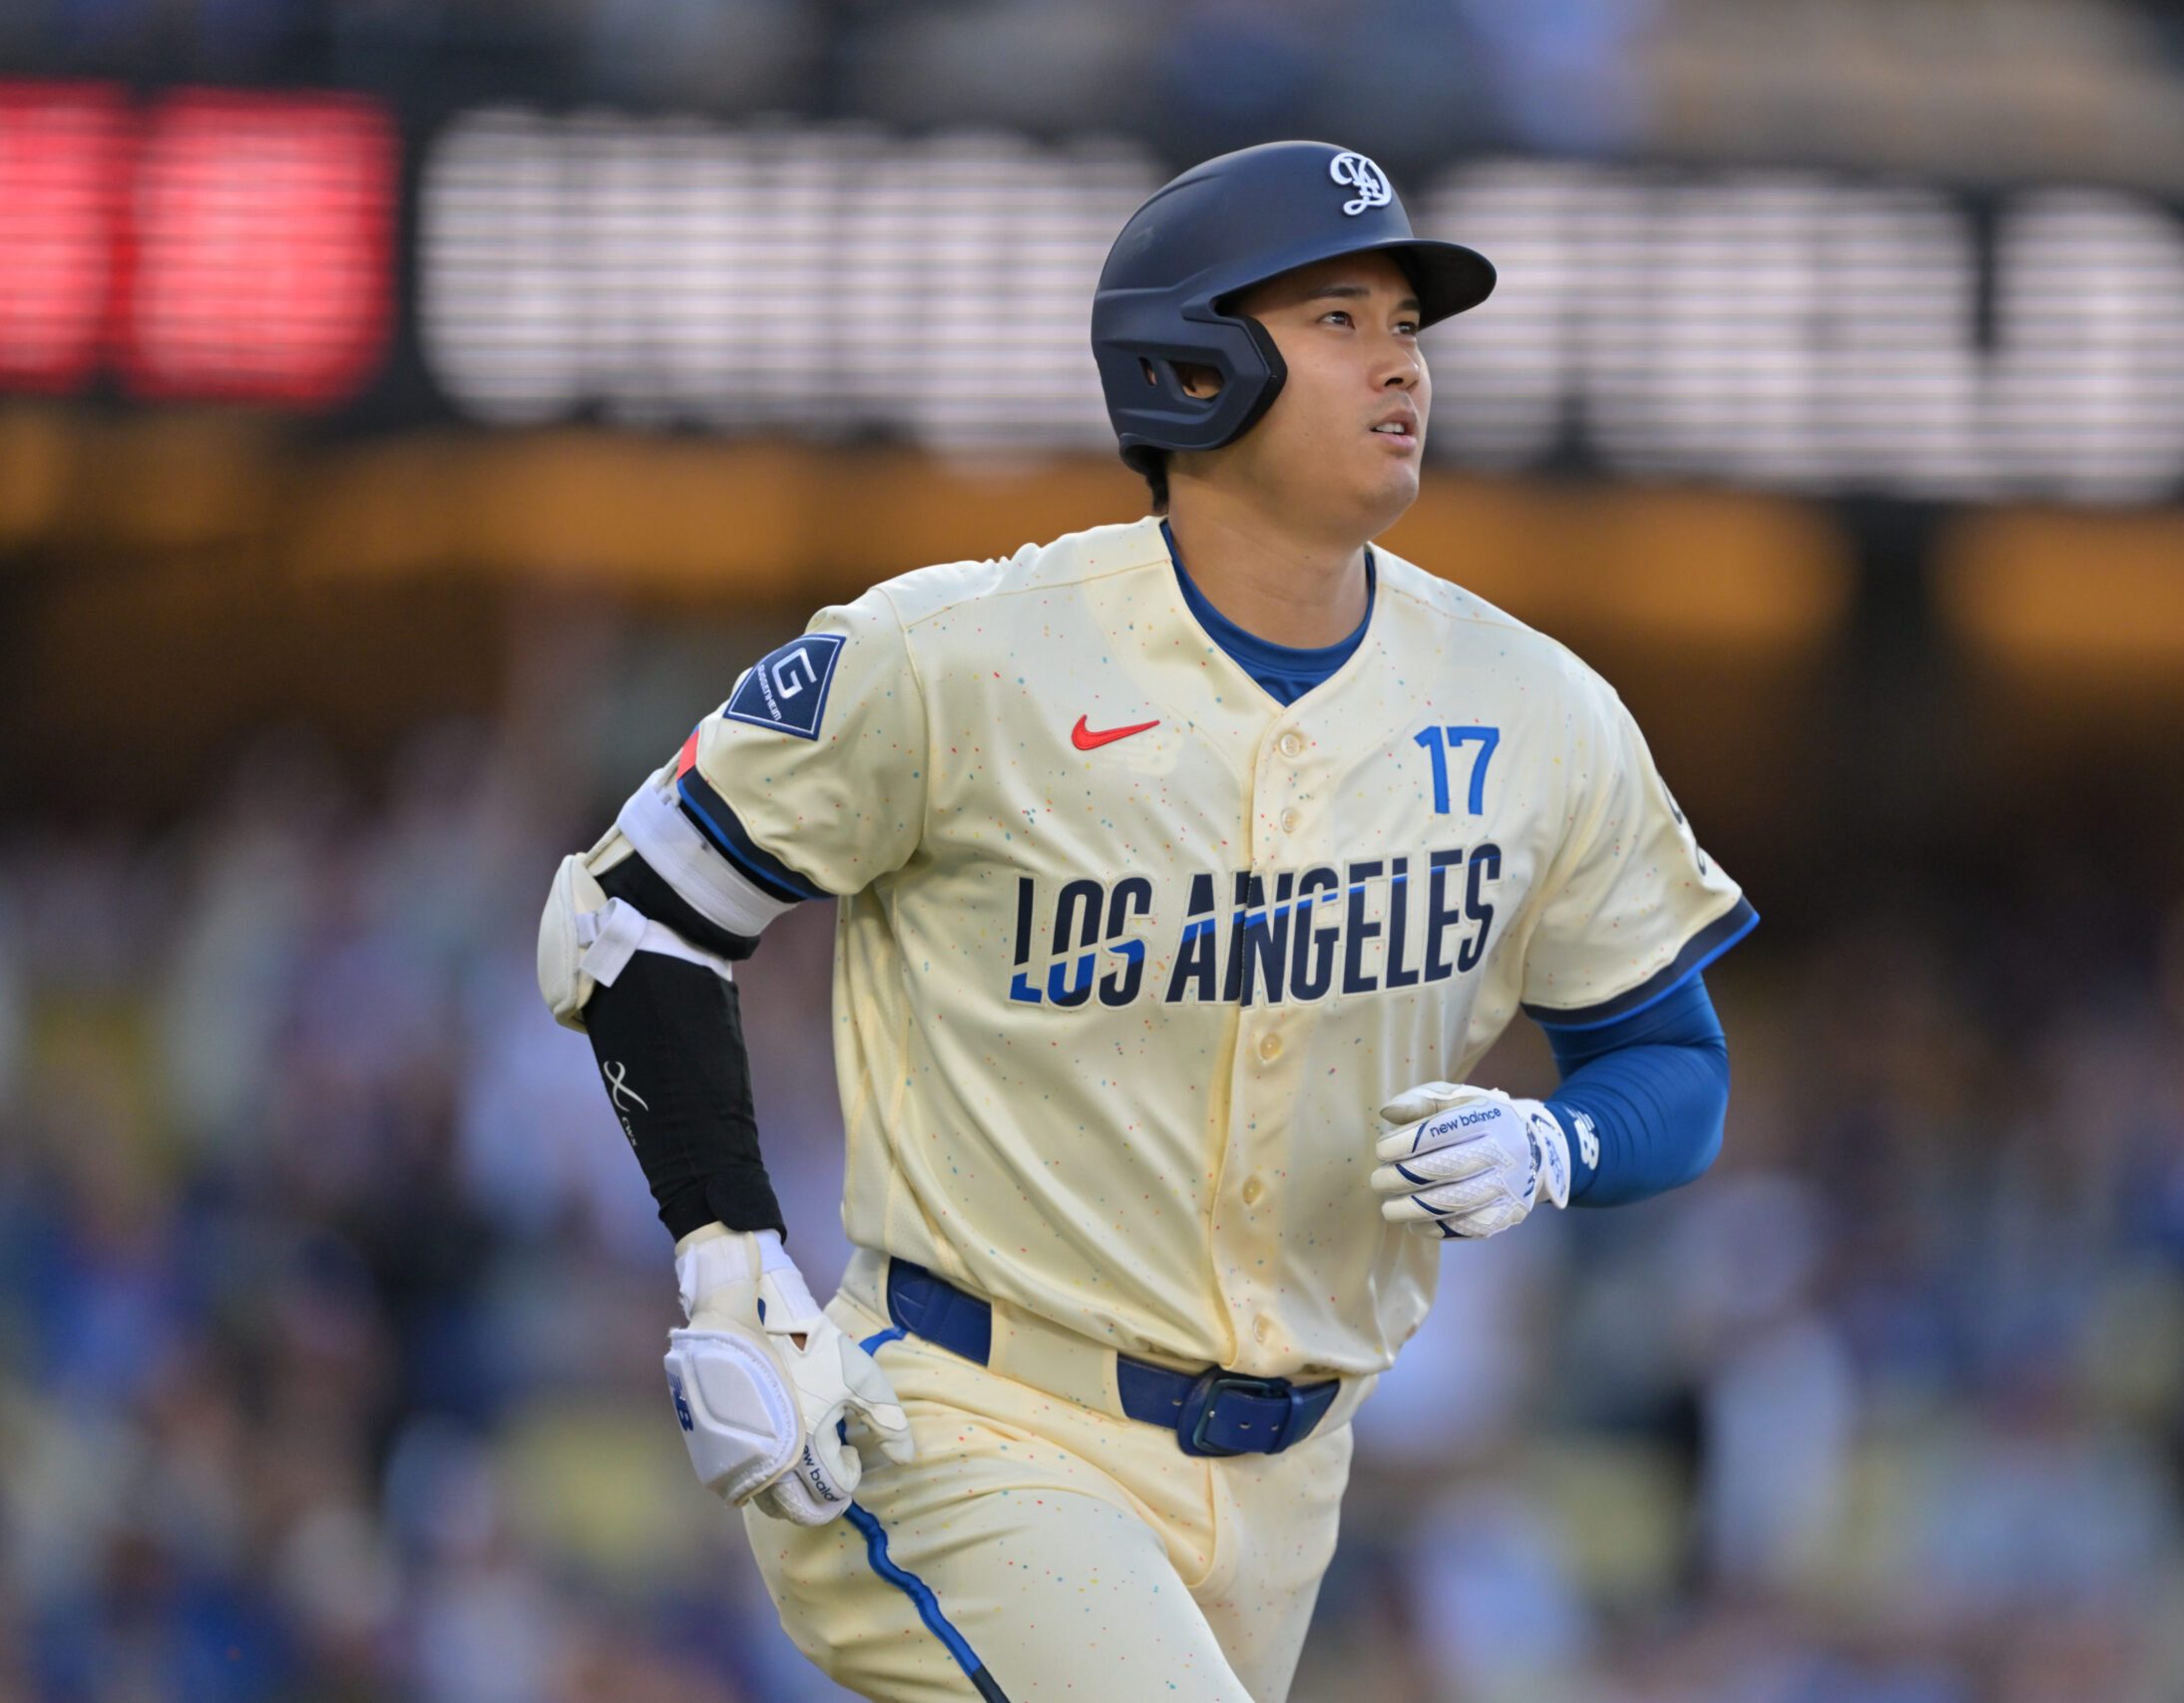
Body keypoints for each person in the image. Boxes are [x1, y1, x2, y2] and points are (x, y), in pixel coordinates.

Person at [536, 139, 1754, 1702]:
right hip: (966, 1418)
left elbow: (1676, 1058)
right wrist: (729, 1257)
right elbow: (628, 924)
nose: (1402, 362)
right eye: (1340, 320)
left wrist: (1553, 1146)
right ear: (1193, 368)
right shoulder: (963, 654)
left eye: (1408, 324)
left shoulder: (1539, 711)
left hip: (1293, 1477)